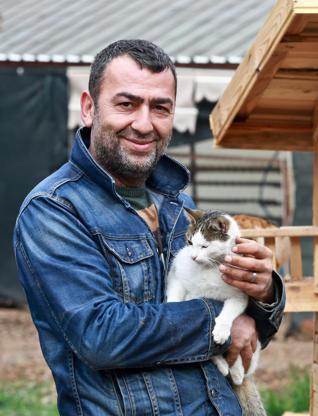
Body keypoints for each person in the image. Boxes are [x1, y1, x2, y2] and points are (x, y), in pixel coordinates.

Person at [13, 39, 285, 415]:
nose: (144, 124)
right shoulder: (54, 211)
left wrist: (263, 291)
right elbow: (102, 335)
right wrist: (218, 322)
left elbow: (251, 332)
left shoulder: (180, 207)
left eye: (160, 108)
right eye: (127, 104)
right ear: (89, 109)